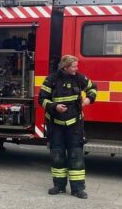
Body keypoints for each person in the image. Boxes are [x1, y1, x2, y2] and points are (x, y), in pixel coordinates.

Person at [38, 55, 98, 199]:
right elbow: (41, 99)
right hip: (56, 125)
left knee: (76, 156)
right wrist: (55, 106)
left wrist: (88, 99)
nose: (76, 69)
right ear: (65, 67)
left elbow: (93, 88)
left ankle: (78, 189)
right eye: (74, 66)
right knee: (57, 155)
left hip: (75, 125)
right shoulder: (51, 79)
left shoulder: (79, 78)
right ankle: (59, 186)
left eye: (76, 66)